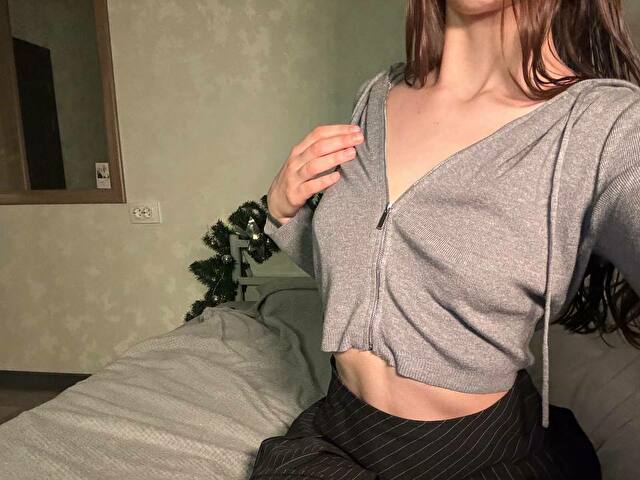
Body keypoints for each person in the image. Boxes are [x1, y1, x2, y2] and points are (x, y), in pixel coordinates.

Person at [250, 0, 640, 478]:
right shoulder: (377, 95)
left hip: (475, 455)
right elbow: (380, 279)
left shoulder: (607, 126)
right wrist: (284, 215)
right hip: (339, 433)